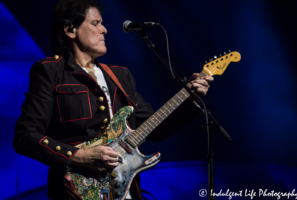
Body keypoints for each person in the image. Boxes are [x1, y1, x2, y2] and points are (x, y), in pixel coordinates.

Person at [13, 0, 214, 199]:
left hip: (126, 190)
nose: (105, 30)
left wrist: (190, 99)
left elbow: (156, 130)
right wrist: (79, 156)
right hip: (76, 190)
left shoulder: (120, 76)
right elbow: (25, 136)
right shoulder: (50, 71)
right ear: (70, 29)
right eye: (96, 23)